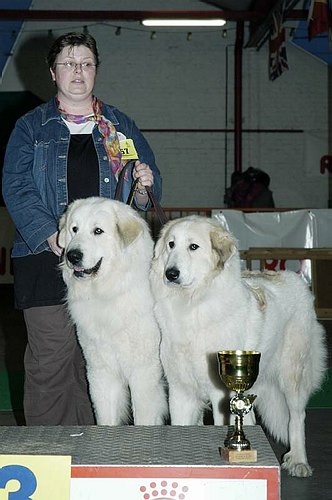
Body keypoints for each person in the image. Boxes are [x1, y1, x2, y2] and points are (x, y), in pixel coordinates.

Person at [2, 32, 162, 426]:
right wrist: (53, 235)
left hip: (112, 270)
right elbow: (16, 185)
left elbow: (146, 189)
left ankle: (97, 450)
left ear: (95, 72)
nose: (78, 71)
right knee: (52, 355)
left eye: (87, 63)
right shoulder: (30, 127)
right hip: (46, 257)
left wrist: (144, 185)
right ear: (53, 72)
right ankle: (51, 454)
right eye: (69, 63)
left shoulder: (120, 124)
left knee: (104, 360)